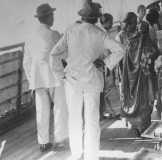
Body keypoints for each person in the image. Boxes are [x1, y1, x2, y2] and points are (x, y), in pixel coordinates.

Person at [49, 2, 125, 160]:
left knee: (74, 119)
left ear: (82, 16)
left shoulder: (70, 30)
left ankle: (76, 154)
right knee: (92, 121)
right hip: (92, 80)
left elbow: (54, 55)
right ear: (96, 18)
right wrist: (105, 63)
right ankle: (92, 156)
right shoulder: (100, 33)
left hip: (72, 80)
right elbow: (120, 50)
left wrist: (61, 74)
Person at [23, 3, 68, 152]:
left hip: (38, 79)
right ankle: (60, 139)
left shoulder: (29, 36)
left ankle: (43, 142)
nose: (53, 17)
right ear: (47, 17)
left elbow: (27, 61)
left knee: (42, 111)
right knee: (60, 108)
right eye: (52, 15)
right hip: (54, 76)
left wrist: (31, 80)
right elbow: (64, 54)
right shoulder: (54, 34)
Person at [121, 21, 159, 136]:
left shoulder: (130, 43)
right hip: (144, 79)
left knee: (133, 98)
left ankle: (134, 126)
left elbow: (125, 62)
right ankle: (143, 127)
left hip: (131, 79)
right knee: (144, 101)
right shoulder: (149, 43)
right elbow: (155, 57)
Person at [99, 13, 122, 118]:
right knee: (110, 87)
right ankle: (115, 111)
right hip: (107, 64)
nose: (112, 23)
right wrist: (108, 67)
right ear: (107, 22)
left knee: (108, 88)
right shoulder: (104, 34)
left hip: (106, 64)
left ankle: (109, 111)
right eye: (111, 21)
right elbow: (105, 52)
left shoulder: (101, 33)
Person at [115, 12, 138, 98]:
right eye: (135, 21)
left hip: (136, 67)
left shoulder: (138, 34)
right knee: (126, 89)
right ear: (129, 22)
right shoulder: (121, 35)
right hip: (125, 67)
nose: (137, 23)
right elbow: (118, 54)